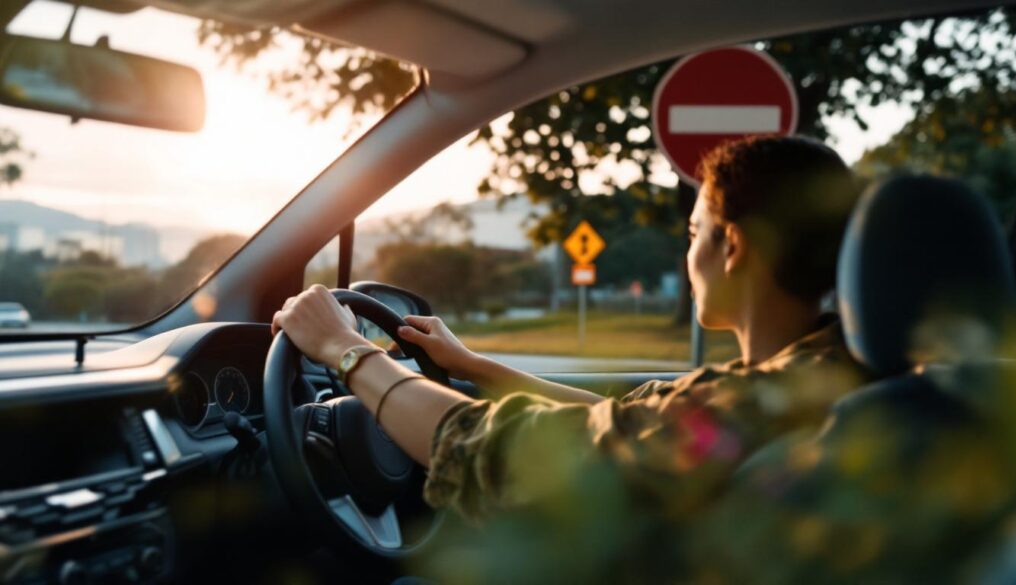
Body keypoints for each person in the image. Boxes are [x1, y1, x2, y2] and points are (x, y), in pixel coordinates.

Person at [272, 135, 869, 527]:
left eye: (693, 234)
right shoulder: (823, 368)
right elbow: (626, 420)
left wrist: (346, 350)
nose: (687, 255)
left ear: (732, 246)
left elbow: (496, 452)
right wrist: (472, 365)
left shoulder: (763, 402)